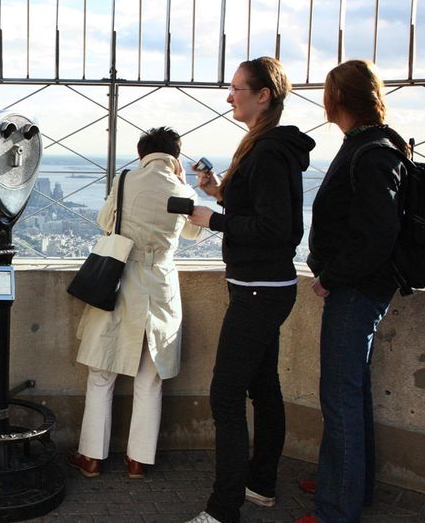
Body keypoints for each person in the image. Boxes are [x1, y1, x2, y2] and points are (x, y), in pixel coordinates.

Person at [186, 57, 315, 523]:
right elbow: (261, 211)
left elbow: (281, 230)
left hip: (260, 288)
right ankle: (259, 484)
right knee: (263, 386)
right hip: (261, 285)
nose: (228, 96)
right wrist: (219, 191)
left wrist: (213, 219)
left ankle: (223, 510)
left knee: (226, 394)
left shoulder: (269, 151)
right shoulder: (263, 146)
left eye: (238, 88)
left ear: (264, 96)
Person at [294, 60, 406, 523]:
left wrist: (331, 277)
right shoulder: (371, 144)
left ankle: (337, 509)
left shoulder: (373, 150)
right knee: (350, 394)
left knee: (340, 397)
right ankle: (346, 484)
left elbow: (377, 235)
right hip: (359, 288)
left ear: (337, 98)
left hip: (356, 291)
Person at [67, 127, 202, 480]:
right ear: (175, 155)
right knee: (150, 377)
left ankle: (92, 457)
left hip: (121, 282)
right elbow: (192, 232)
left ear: (143, 153)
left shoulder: (126, 180)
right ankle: (138, 460)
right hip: (161, 286)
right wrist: (185, 184)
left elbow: (104, 222)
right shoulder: (182, 188)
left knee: (102, 373)